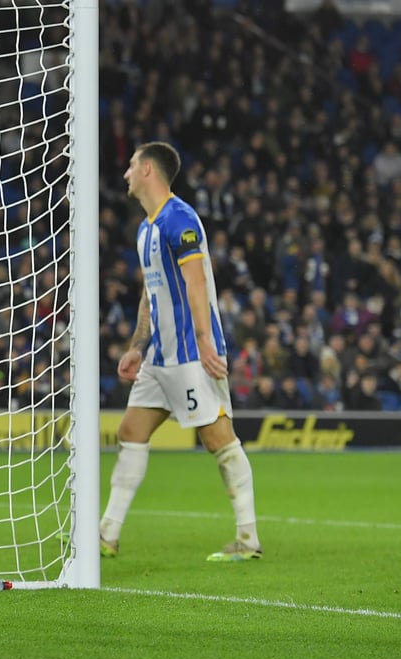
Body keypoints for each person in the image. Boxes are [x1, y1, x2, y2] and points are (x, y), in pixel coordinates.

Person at [99, 141, 262, 563]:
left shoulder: (180, 218)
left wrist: (206, 341)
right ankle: (106, 534)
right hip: (159, 359)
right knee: (131, 431)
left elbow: (196, 283)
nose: (126, 174)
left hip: (192, 354)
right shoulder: (145, 228)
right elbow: (150, 292)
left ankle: (248, 539)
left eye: (132, 165)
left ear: (149, 170)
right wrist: (138, 345)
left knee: (219, 440)